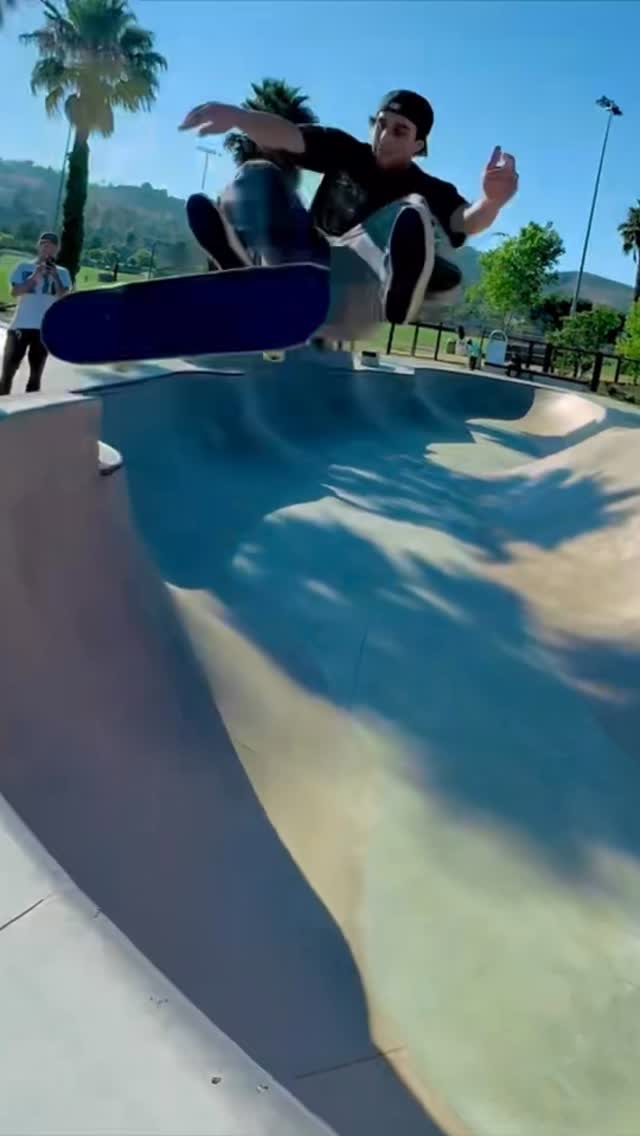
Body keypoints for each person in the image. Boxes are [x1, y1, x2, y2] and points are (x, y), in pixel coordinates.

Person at [179, 90, 518, 327]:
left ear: (417, 145)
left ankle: (398, 290)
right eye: (381, 124)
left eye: (399, 131)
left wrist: (492, 201)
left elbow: (464, 221)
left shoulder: (430, 189)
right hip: (308, 255)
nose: (384, 137)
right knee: (255, 174)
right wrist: (238, 117)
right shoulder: (344, 150)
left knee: (411, 212)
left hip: (358, 277)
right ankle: (241, 271)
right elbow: (287, 136)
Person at [1, 232, 71, 395]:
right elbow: (15, 292)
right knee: (7, 372)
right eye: (44, 245)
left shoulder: (62, 273)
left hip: (44, 329)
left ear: (57, 249)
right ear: (38, 247)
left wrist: (55, 277)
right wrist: (35, 276)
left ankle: (30, 407)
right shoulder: (23, 267)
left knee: (35, 376)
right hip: (20, 325)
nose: (47, 249)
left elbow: (63, 298)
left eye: (51, 246)